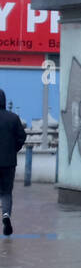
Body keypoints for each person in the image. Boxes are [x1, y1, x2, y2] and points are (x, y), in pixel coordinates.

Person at [0, 90, 27, 237]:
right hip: (9, 162)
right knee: (6, 192)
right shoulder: (13, 118)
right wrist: (13, 150)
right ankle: (5, 215)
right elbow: (22, 137)